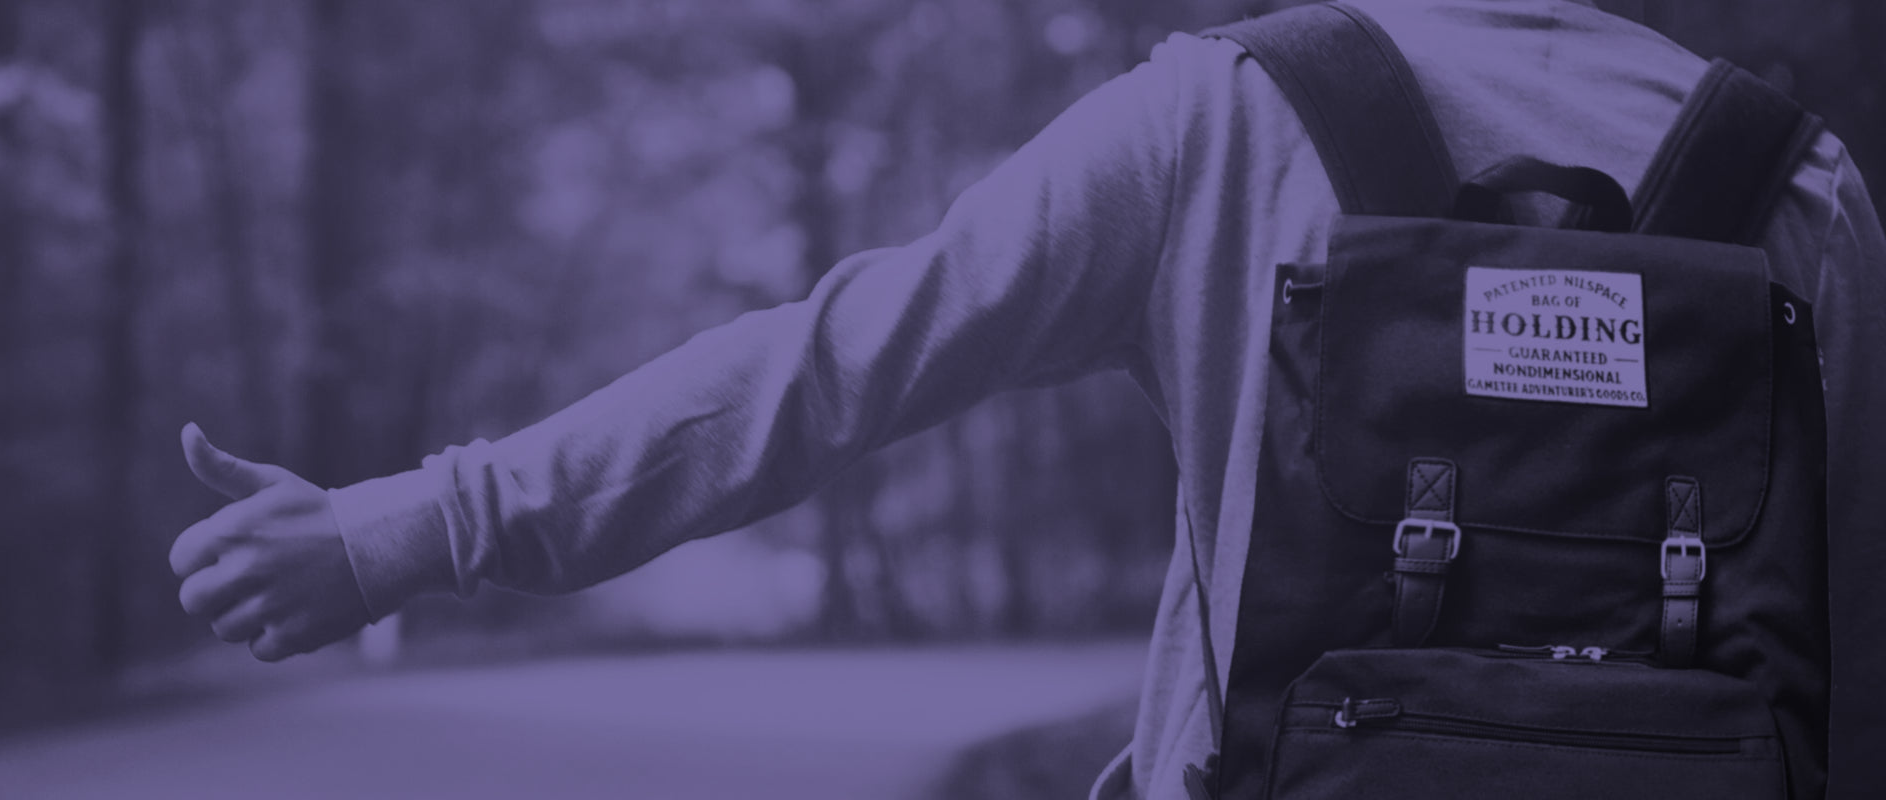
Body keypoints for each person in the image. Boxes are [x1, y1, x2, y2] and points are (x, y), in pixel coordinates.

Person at [169, 0, 1885, 797]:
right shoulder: (1800, 187)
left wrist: (414, 525)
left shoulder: (1225, 121)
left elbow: (827, 367)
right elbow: (1850, 658)